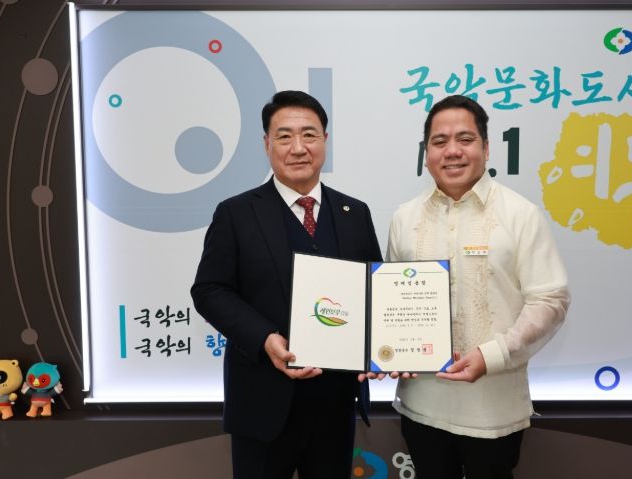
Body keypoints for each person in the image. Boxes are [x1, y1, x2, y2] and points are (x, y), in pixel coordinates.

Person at [191, 90, 382, 479]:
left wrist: (381, 350)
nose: (298, 148)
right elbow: (209, 290)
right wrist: (265, 338)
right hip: (262, 404)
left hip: (335, 406)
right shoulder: (236, 213)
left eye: (309, 135)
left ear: (325, 140)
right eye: (284, 136)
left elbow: (375, 291)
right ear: (267, 144)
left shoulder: (354, 212)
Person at [386, 95, 570, 478]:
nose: (452, 151)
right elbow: (390, 304)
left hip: (493, 409)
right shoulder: (404, 218)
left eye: (465, 139)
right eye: (439, 141)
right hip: (421, 406)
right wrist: (388, 351)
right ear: (426, 154)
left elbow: (550, 300)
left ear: (486, 148)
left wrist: (493, 355)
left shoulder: (521, 215)